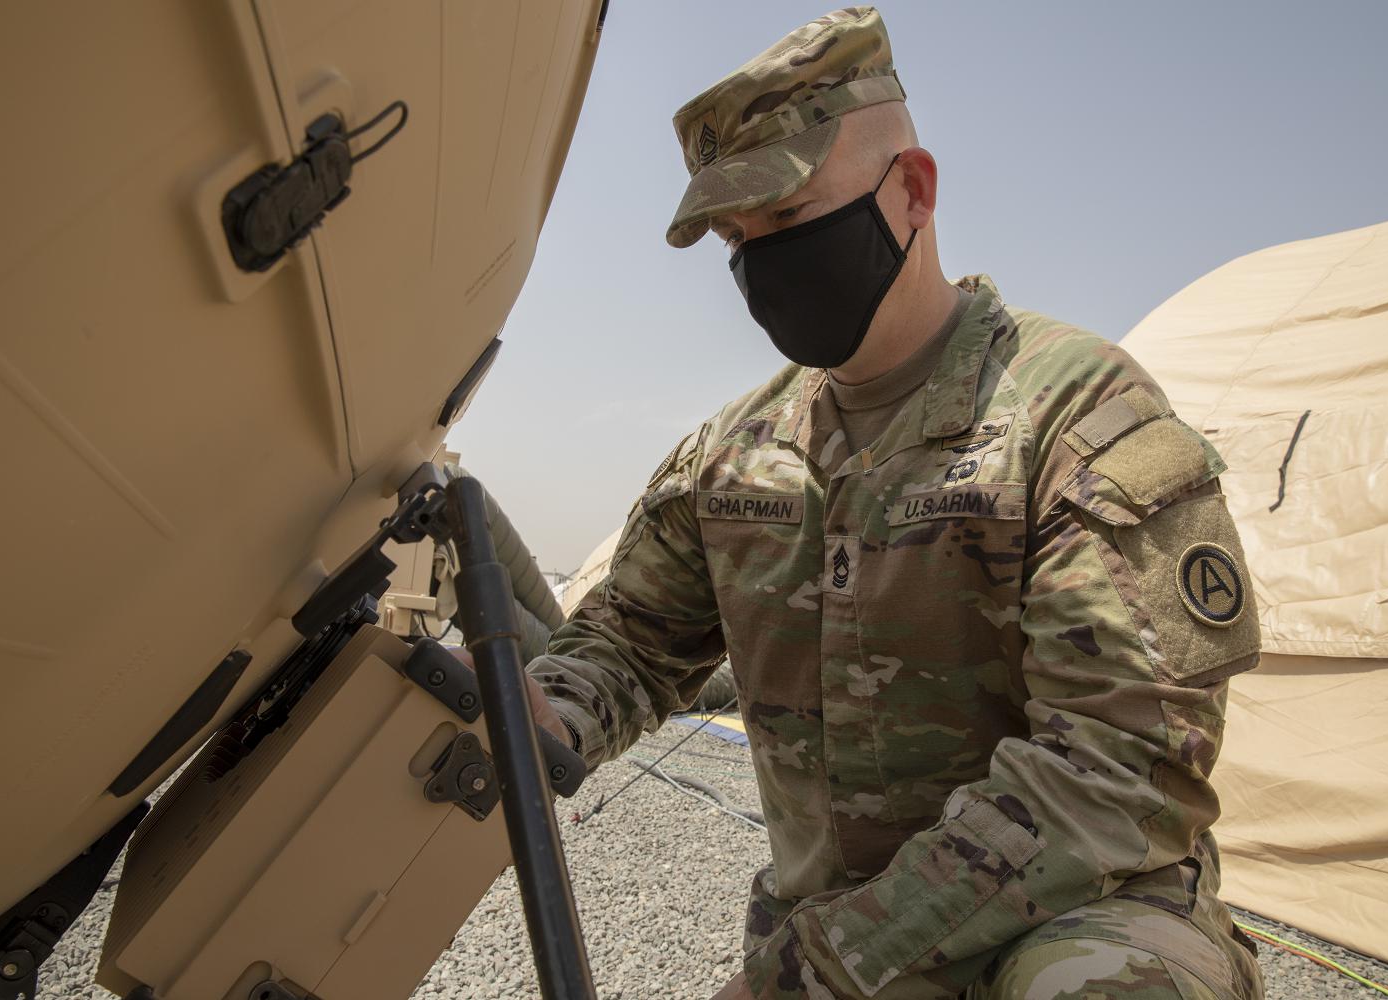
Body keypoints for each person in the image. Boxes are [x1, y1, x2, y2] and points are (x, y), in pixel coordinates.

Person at [482, 7, 1266, 998]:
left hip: (1076, 910)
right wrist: (550, 712)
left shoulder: (1076, 414)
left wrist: (829, 961)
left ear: (913, 192)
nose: (761, 263)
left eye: (790, 221)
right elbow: (628, 644)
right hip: (843, 931)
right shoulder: (733, 459)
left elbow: (1119, 765)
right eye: (737, 236)